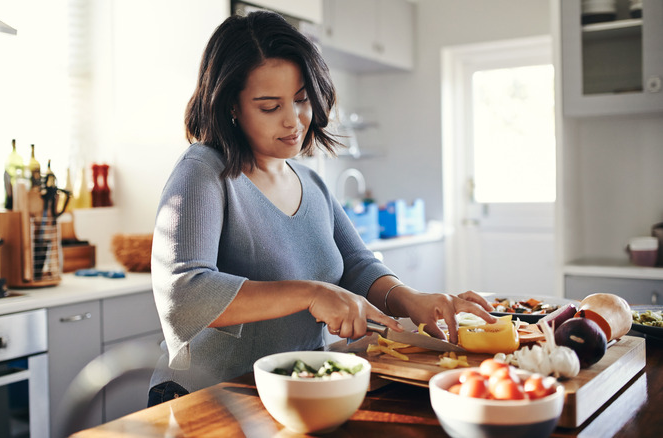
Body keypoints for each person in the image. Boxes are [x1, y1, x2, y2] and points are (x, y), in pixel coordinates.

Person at [148, 10, 496, 407]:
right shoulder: (202, 172)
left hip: (292, 393)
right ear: (231, 105)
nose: (294, 121)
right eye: (269, 107)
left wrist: (410, 300)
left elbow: (358, 267)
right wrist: (310, 293)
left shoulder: (309, 182)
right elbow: (183, 292)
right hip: (208, 397)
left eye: (301, 100)